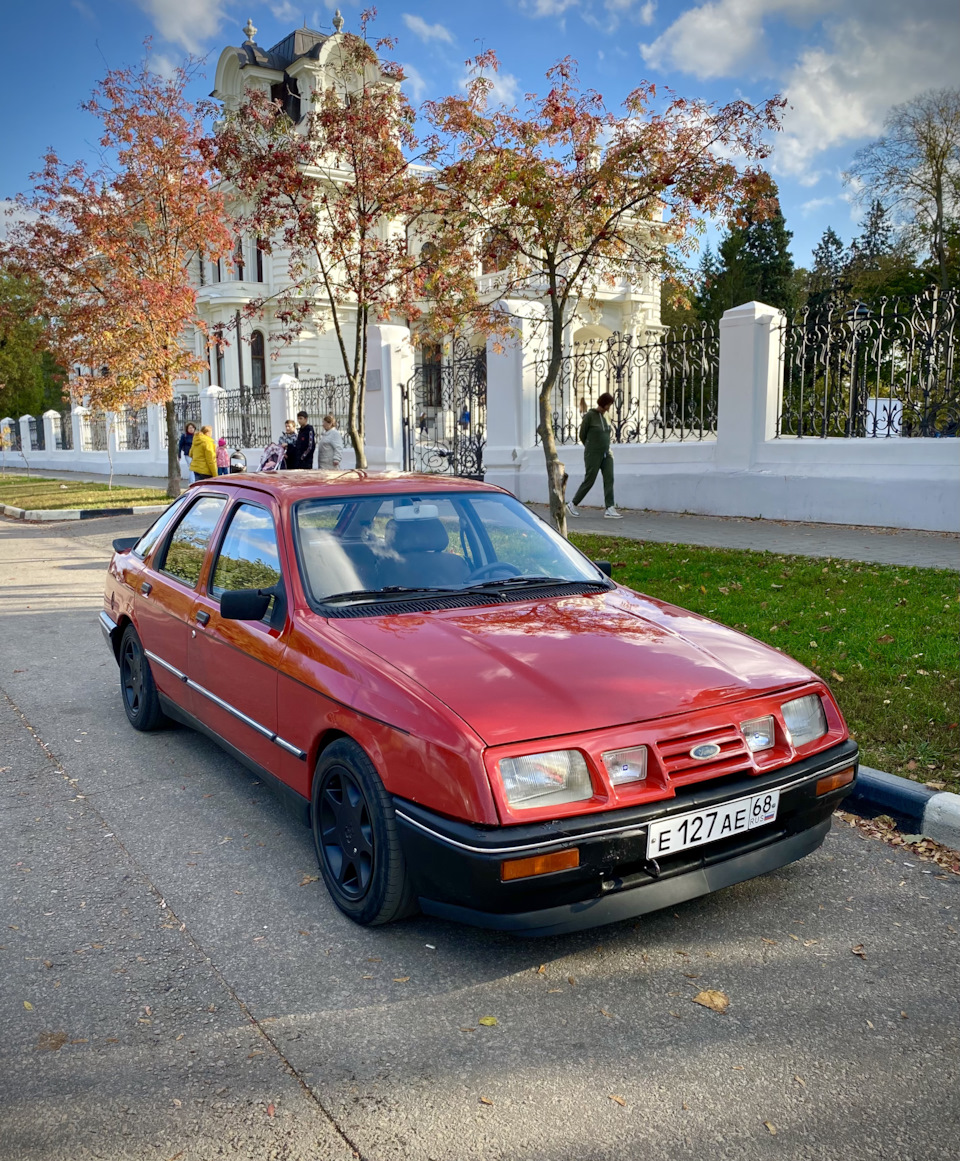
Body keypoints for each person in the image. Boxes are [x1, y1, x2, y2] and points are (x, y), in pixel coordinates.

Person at [566, 392, 622, 519]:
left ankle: (610, 508)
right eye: (608, 404)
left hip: (607, 453)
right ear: (604, 404)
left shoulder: (606, 416)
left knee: (609, 479)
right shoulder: (590, 416)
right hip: (593, 454)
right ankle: (572, 503)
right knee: (589, 480)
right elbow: (582, 435)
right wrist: (591, 447)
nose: (609, 407)